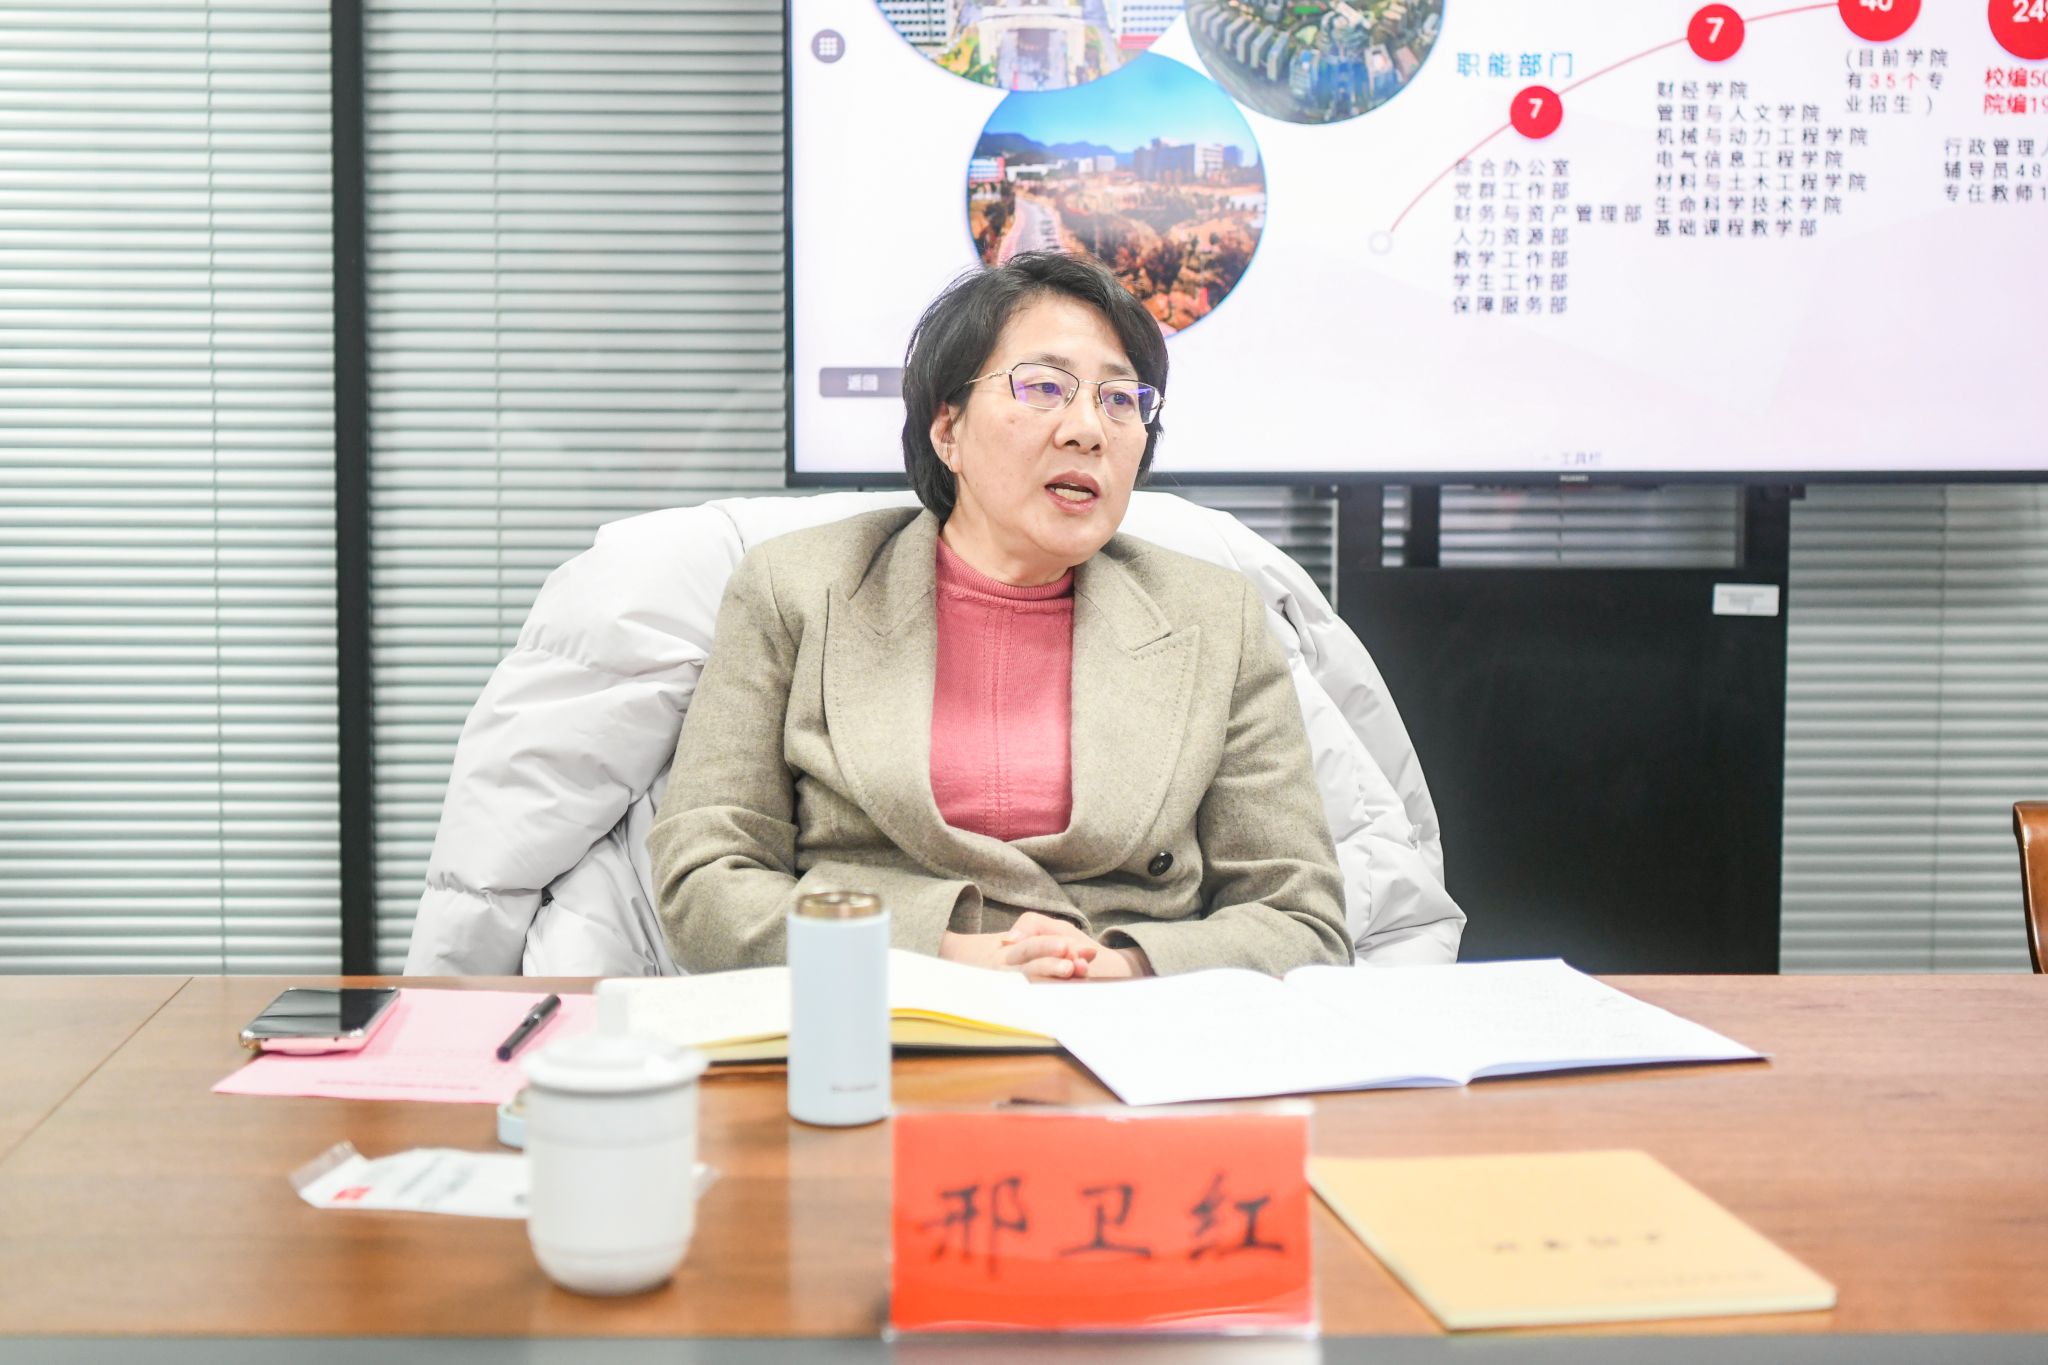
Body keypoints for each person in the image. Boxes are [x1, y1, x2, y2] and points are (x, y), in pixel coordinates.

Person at [649, 252, 1351, 980]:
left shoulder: (1216, 618)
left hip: (1131, 1018)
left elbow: (1299, 917)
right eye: (1044, 386)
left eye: (1120, 399)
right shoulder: (796, 589)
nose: (1089, 429)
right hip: (881, 1002)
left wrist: (1115, 971)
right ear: (946, 428)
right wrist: (955, 959)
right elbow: (704, 881)